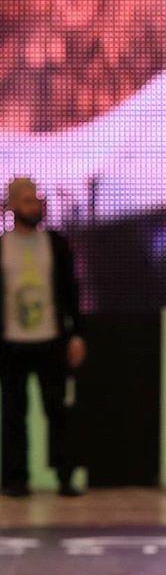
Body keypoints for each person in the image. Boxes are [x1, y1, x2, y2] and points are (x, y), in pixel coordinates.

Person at [0, 177, 86, 497]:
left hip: (51, 340)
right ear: (12, 206)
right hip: (12, 343)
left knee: (58, 411)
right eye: (26, 201)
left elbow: (71, 291)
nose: (33, 206)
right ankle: (15, 479)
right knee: (13, 414)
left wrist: (76, 334)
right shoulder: (3, 245)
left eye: (36, 200)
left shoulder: (56, 243)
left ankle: (64, 476)